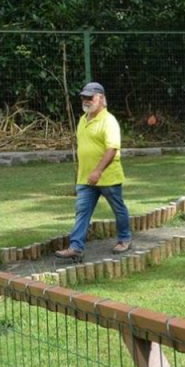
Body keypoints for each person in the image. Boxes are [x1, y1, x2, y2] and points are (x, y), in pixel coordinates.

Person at [55, 82, 132, 258]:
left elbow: (112, 149)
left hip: (108, 177)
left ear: (101, 98)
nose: (86, 100)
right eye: (84, 97)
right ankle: (76, 247)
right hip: (85, 178)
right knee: (82, 211)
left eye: (90, 97)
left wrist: (98, 171)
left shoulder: (109, 121)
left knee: (118, 209)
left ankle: (124, 239)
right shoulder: (83, 120)